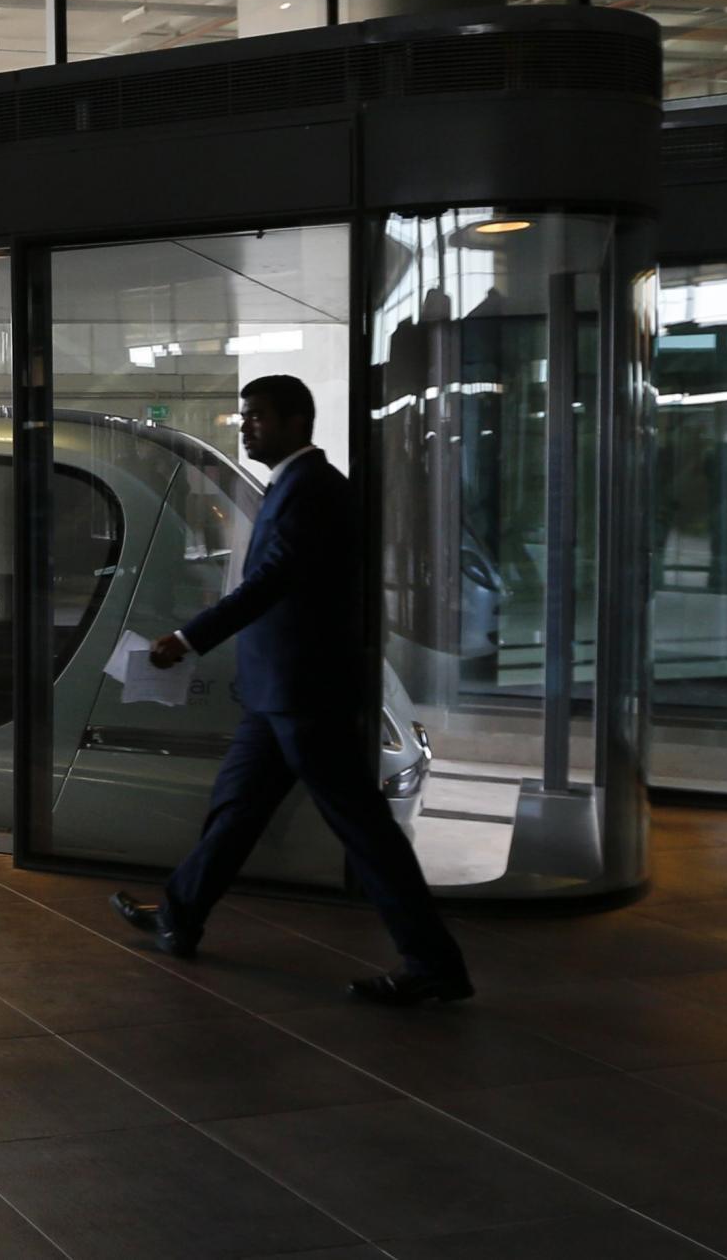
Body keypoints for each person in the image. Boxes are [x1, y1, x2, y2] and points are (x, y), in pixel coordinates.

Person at [111, 374, 471, 1006]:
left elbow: (272, 580)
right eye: (244, 416)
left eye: (257, 417)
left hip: (307, 696)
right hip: (277, 694)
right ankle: (179, 916)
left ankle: (433, 963)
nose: (245, 426)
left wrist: (188, 638)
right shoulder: (294, 487)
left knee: (364, 832)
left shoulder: (315, 491)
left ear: (296, 422)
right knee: (235, 811)